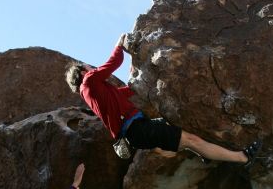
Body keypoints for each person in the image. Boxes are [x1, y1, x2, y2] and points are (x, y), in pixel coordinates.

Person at [65, 34, 262, 165]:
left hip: (137, 132)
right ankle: (242, 157)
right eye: (88, 67)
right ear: (83, 71)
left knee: (184, 137)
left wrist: (135, 78)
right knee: (191, 140)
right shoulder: (89, 80)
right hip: (138, 129)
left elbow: (123, 93)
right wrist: (119, 44)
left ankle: (204, 153)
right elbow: (113, 62)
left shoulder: (92, 93)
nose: (92, 68)